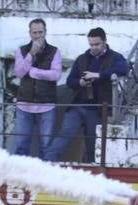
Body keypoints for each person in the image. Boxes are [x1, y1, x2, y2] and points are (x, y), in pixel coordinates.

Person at [43, 28, 130, 163]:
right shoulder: (82, 59)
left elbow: (124, 69)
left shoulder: (115, 57)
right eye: (91, 44)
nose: (94, 47)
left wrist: (99, 75)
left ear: (105, 42)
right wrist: (81, 82)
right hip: (77, 105)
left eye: (97, 44)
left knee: (92, 143)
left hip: (97, 108)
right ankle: (46, 162)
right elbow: (70, 81)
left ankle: (92, 170)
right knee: (65, 135)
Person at [10, 18, 62, 157]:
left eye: (40, 32)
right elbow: (19, 72)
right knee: (21, 145)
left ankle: (44, 177)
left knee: (46, 147)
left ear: (45, 32)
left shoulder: (54, 51)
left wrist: (35, 72)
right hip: (24, 105)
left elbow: (56, 75)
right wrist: (31, 54)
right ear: (30, 33)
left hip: (47, 105)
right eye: (35, 32)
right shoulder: (22, 50)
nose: (38, 35)